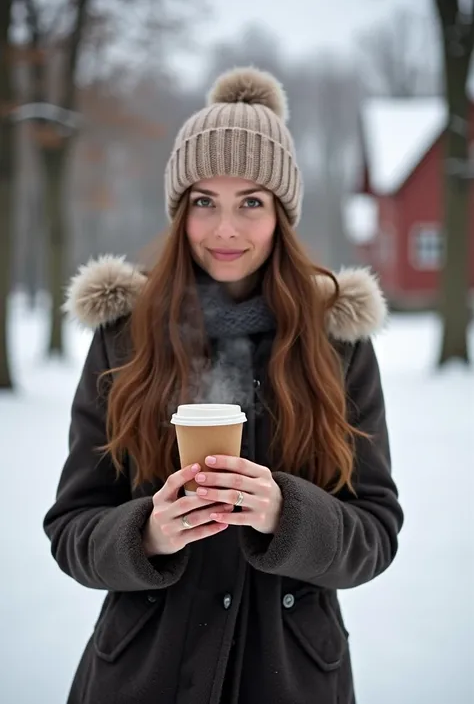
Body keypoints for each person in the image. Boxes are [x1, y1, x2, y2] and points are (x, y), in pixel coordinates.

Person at [44, 67, 404, 704]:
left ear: (281, 214)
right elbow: (73, 528)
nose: (226, 230)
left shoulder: (336, 341)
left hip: (290, 673)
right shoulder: (125, 336)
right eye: (204, 201)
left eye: (251, 203)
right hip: (145, 671)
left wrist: (286, 514)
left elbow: (373, 535)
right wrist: (147, 533)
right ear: (180, 211)